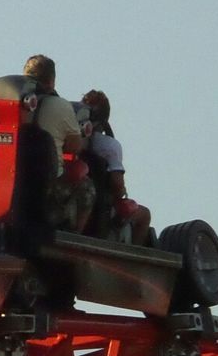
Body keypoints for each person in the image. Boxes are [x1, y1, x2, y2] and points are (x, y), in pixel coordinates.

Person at [23, 55, 95, 233]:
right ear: (52, 80)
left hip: (13, 179)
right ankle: (75, 237)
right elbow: (75, 146)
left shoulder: (13, 101)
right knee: (87, 186)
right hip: (48, 183)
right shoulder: (61, 106)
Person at [81, 89, 151, 245]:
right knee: (144, 215)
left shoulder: (71, 138)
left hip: (78, 201)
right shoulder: (109, 145)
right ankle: (134, 259)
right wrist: (122, 192)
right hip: (102, 209)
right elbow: (117, 184)